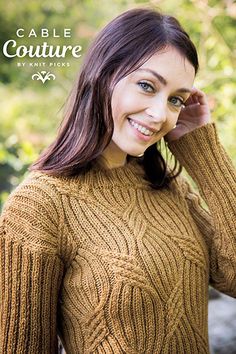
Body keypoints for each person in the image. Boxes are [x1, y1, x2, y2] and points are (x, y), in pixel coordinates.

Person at [0, 7, 235, 354]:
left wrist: (202, 147)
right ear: (102, 75)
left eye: (175, 100)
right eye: (146, 85)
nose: (160, 115)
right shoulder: (38, 207)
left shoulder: (169, 188)